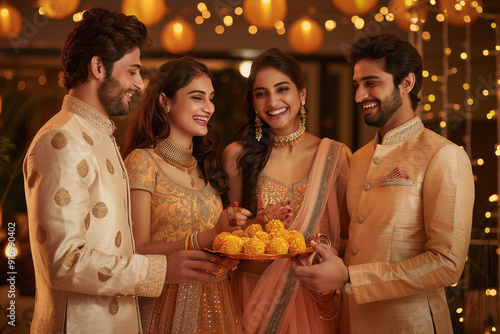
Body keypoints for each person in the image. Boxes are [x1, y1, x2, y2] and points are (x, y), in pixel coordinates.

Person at [23, 8, 221, 333]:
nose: (140, 84)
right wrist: (162, 270)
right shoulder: (62, 140)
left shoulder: (102, 137)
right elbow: (65, 262)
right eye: (132, 71)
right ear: (98, 67)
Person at [293, 33, 475, 333]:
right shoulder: (359, 158)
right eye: (357, 85)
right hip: (351, 322)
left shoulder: (443, 155)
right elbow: (356, 241)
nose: (359, 96)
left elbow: (447, 264)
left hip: (410, 325)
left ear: (406, 83)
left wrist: (351, 278)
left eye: (371, 83)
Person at [222, 48, 350, 333]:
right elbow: (229, 236)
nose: (272, 101)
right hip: (253, 294)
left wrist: (324, 250)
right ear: (253, 102)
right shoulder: (238, 156)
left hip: (314, 293)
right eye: (261, 93)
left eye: (282, 89)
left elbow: (347, 237)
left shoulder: (335, 156)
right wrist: (256, 223)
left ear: (302, 94)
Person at [122, 57, 250, 333]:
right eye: (197, 97)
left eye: (211, 98)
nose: (209, 107)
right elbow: (137, 250)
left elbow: (218, 239)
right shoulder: (143, 162)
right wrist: (205, 238)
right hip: (164, 305)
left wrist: (247, 226)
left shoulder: (206, 165)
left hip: (216, 305)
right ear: (164, 101)